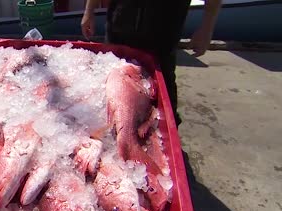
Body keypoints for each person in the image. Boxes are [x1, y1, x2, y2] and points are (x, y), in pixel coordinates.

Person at [81, 0, 221, 126]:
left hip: (161, 41)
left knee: (164, 109)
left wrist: (207, 28)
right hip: (118, 35)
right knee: (110, 97)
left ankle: (167, 142)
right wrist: (89, 11)